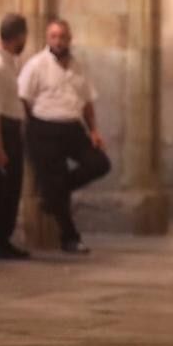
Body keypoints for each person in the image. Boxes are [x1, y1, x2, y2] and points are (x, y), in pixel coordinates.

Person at [16, 18, 110, 255]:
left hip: (73, 128)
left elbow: (87, 101)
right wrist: (33, 127)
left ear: (70, 39)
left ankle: (53, 192)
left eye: (62, 36)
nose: (58, 41)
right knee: (56, 180)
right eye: (54, 36)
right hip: (44, 128)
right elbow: (23, 99)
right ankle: (70, 238)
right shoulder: (36, 65)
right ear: (48, 39)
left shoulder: (78, 66)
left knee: (100, 163)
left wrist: (94, 131)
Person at [0, 14, 28, 259]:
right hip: (3, 132)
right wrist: (0, 147)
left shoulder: (10, 63)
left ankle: (3, 239)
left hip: (11, 129)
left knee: (12, 186)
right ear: (19, 37)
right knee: (6, 188)